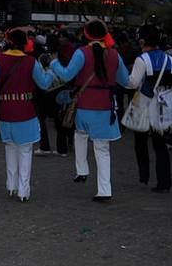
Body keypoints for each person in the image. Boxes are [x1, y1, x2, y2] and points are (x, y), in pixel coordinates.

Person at [49, 20, 129, 202]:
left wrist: (53, 63)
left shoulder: (82, 53)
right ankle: (104, 190)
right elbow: (125, 81)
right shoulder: (114, 54)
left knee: (80, 134)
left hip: (84, 105)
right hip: (105, 106)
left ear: (86, 34)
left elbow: (66, 75)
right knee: (102, 149)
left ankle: (82, 170)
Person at [0, 28, 54, 202]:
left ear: (7, 42)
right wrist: (49, 70)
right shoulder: (31, 61)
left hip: (5, 110)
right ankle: (23, 190)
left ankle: (11, 185)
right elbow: (44, 84)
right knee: (25, 150)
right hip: (25, 109)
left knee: (10, 147)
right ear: (25, 43)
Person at [125, 25, 172, 193]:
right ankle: (164, 182)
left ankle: (144, 175)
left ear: (142, 41)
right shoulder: (170, 59)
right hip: (164, 105)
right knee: (160, 145)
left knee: (140, 141)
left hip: (143, 103)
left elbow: (132, 83)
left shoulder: (142, 59)